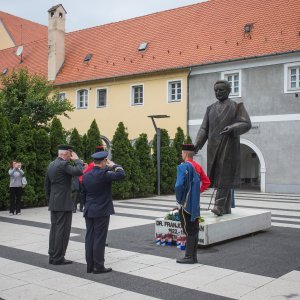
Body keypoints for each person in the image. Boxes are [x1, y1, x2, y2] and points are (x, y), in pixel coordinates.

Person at [195, 80, 251, 216]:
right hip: (213, 147)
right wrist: (197, 144)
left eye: (221, 90)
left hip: (229, 145)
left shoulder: (236, 106)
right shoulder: (210, 108)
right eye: (216, 90)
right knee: (218, 175)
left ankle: (219, 206)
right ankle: (226, 207)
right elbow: (204, 128)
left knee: (224, 175)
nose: (218, 93)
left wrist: (232, 127)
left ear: (228, 91)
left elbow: (246, 123)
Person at [82, 150, 125, 274]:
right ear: (104, 162)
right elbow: (122, 174)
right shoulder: (105, 174)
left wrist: (87, 206)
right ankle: (99, 266)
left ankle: (90, 265)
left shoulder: (86, 175)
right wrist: (114, 165)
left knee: (90, 237)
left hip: (89, 210)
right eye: (106, 161)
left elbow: (83, 194)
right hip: (101, 211)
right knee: (100, 238)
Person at [45, 144, 84, 265]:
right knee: (63, 230)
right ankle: (58, 257)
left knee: (54, 229)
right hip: (63, 203)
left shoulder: (51, 164)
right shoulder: (63, 164)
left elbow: (47, 185)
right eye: (70, 154)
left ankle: (52, 255)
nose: (70, 157)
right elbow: (79, 171)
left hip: (54, 201)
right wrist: (77, 160)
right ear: (66, 154)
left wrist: (50, 200)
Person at [175, 144, 210, 264]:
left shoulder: (183, 167)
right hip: (195, 204)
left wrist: (179, 200)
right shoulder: (198, 167)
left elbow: (179, 186)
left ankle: (189, 257)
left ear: (185, 154)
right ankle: (193, 257)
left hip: (185, 203)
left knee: (188, 230)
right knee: (194, 229)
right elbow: (206, 182)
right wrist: (197, 192)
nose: (181, 155)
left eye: (181, 153)